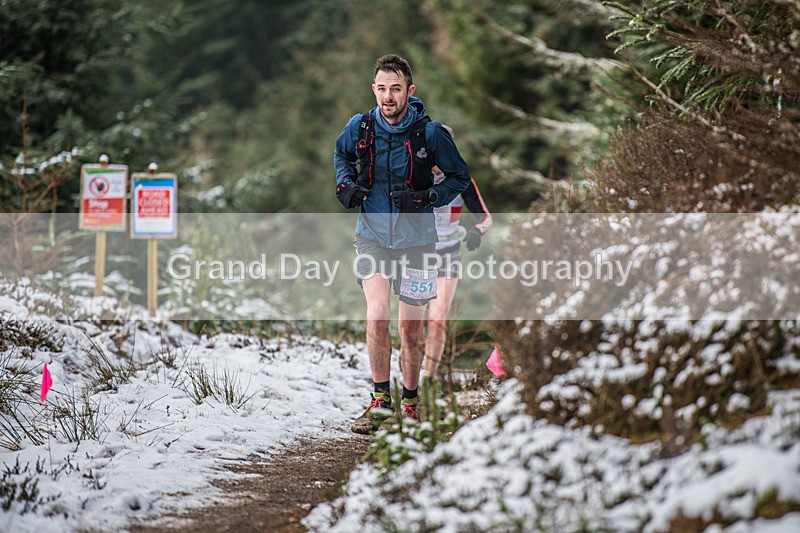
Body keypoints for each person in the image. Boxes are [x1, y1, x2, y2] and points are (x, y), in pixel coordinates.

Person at [334, 54, 471, 434]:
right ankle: (379, 402)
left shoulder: (431, 134)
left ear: (410, 92)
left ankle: (410, 404)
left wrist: (427, 198)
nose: (388, 96)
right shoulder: (359, 127)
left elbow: (460, 179)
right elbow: (341, 155)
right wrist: (345, 185)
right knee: (377, 314)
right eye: (382, 88)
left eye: (396, 89)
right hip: (372, 237)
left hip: (419, 243)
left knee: (410, 331)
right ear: (373, 89)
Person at [422, 154, 492, 384]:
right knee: (411, 325)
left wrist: (476, 232)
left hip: (448, 254)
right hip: (417, 255)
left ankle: (427, 380)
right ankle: (409, 381)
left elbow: (485, 218)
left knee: (437, 320)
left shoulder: (462, 180)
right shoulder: (414, 175)